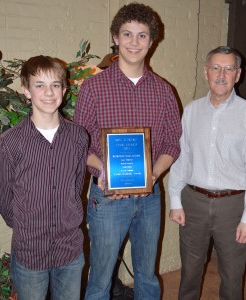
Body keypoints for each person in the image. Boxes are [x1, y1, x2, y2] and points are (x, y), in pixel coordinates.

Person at [73, 2, 182, 300]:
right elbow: (79, 143)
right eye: (127, 34)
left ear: (152, 40)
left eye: (142, 35)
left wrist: (153, 174)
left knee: (147, 276)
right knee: (100, 278)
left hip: (150, 199)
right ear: (115, 38)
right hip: (107, 198)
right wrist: (104, 172)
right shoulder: (93, 88)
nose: (134, 42)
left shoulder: (163, 91)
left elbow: (173, 141)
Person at [168, 45, 246, 300]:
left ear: (238, 74)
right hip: (193, 202)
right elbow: (181, 159)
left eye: (228, 68)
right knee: (189, 272)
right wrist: (176, 201)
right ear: (206, 72)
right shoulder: (190, 111)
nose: (221, 74)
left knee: (232, 276)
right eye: (216, 68)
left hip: (233, 206)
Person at [0, 56, 89, 300]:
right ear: (26, 90)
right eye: (39, 85)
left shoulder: (79, 137)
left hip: (69, 250)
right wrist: (26, 225)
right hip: (30, 252)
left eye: (55, 85)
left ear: (65, 90)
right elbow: (3, 196)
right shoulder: (9, 143)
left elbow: (77, 185)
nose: (49, 92)